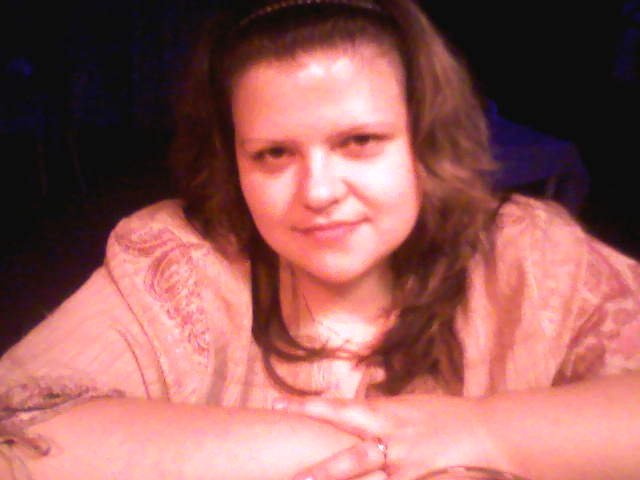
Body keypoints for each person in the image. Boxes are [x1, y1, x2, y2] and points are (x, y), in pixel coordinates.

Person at [1, 0, 640, 479]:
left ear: (423, 142)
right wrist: (372, 449)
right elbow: (19, 430)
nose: (318, 191)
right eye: (274, 153)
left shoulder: (528, 253)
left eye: (359, 141)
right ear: (233, 162)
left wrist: (478, 429)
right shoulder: (176, 263)